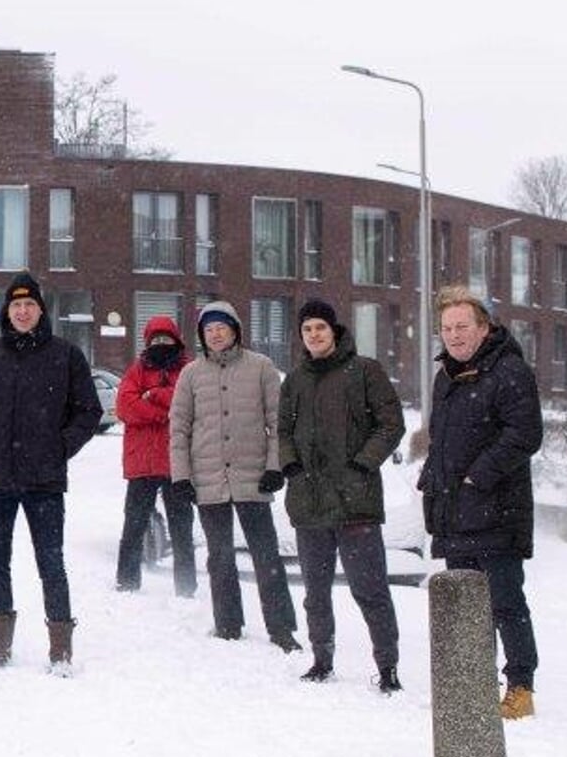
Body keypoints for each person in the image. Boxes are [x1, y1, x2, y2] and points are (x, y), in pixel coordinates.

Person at [0, 271, 102, 671]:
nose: (22, 311)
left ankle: (61, 651)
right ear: (8, 311)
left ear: (41, 310)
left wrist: (61, 447)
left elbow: (89, 411)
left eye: (29, 305)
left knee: (50, 562)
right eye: (16, 305)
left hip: (44, 481)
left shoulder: (66, 356)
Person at [419, 286, 544, 719]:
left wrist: (478, 475)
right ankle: (473, 682)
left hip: (497, 510)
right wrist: (432, 481)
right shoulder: (446, 377)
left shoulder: (509, 371)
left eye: (462, 327)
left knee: (506, 603)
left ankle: (520, 688)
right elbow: (442, 441)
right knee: (464, 606)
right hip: (454, 512)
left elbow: (525, 434)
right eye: (447, 328)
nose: (454, 336)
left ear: (483, 327)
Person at [277, 298, 405, 691]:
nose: (314, 335)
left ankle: (387, 668)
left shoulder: (365, 371)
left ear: (334, 330)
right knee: (315, 593)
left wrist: (363, 465)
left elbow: (390, 424)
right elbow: (282, 430)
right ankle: (321, 659)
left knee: (370, 590)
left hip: (356, 504)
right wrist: (292, 467)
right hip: (309, 502)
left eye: (320, 327)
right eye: (307, 329)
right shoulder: (295, 380)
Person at [169, 300, 301, 653]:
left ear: (235, 330)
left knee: (266, 555)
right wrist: (181, 476)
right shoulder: (191, 374)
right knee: (220, 556)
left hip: (252, 478)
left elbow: (279, 424)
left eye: (221, 328)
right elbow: (179, 429)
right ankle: (228, 623)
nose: (215, 334)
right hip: (208, 478)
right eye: (208, 329)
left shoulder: (261, 367)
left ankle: (282, 627)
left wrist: (274, 467)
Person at [113, 315, 197, 597]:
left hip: (178, 464)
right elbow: (125, 407)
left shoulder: (189, 370)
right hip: (143, 463)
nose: (162, 344)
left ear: (177, 341)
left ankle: (186, 588)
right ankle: (127, 583)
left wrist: (154, 394)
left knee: (182, 528)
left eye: (167, 339)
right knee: (134, 525)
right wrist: (164, 413)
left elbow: (190, 402)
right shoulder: (136, 370)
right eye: (156, 340)